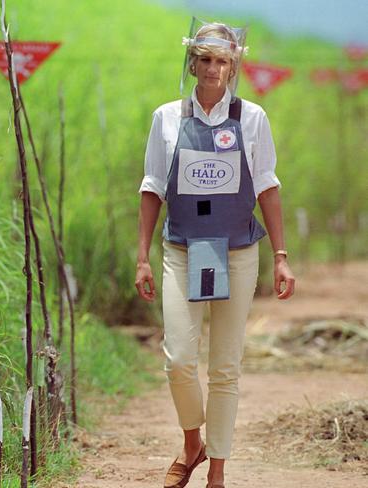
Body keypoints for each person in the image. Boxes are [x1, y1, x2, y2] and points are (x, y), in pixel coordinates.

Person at [134, 20, 295, 488]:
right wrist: (142, 256)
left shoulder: (252, 118)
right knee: (179, 358)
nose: (212, 68)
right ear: (191, 63)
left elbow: (268, 188)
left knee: (226, 365)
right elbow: (151, 187)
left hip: (238, 252)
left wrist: (281, 255)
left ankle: (217, 472)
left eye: (221, 60)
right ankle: (192, 443)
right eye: (203, 59)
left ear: (233, 65)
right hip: (182, 251)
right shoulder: (166, 117)